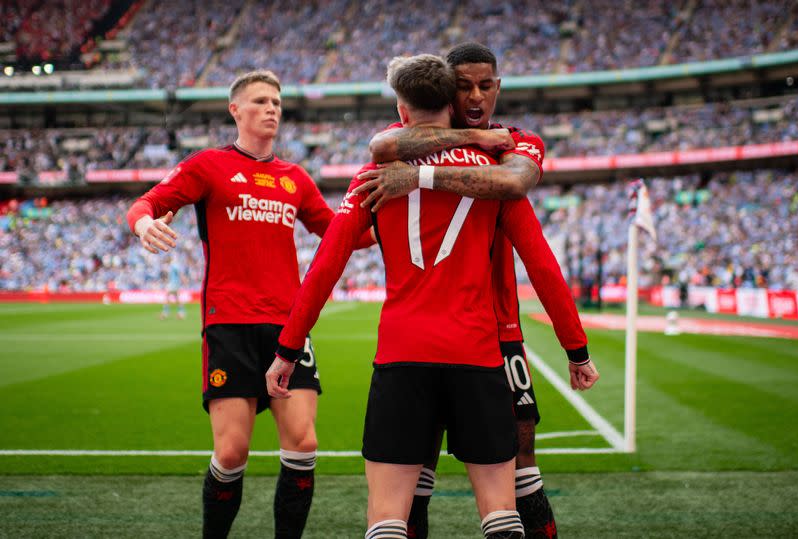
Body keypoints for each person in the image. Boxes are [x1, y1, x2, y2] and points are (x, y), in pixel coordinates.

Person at [266, 54, 598, 539]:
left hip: (403, 356)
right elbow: (542, 264)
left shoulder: (372, 174)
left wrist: (287, 349)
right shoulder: (494, 169)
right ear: (452, 102)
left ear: (402, 110)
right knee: (502, 515)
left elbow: (324, 268)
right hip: (479, 356)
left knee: (388, 517)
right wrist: (576, 347)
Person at [126, 70, 374, 539]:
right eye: (260, 101)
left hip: (288, 327)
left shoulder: (295, 178)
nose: (272, 109)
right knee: (233, 452)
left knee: (303, 443)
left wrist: (395, 222)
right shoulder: (207, 166)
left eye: (277, 102)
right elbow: (146, 203)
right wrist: (142, 226)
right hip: (230, 325)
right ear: (235, 110)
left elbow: (342, 234)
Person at [357, 42, 584, 538]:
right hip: (439, 332)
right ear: (445, 90)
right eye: (463, 86)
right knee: (416, 470)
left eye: (486, 85)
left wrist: (424, 174)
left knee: (522, 465)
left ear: (499, 86)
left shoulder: (517, 141)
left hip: (498, 330)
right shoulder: (409, 137)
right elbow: (379, 147)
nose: (477, 96)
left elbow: (515, 182)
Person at [161, 254, 187, 320]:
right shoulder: (171, 266)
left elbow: (179, 273)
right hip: (175, 283)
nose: (166, 260)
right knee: (177, 298)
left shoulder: (174, 265)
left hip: (173, 284)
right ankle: (181, 313)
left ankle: (165, 313)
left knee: (167, 297)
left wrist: (183, 279)